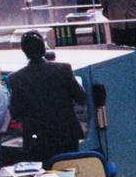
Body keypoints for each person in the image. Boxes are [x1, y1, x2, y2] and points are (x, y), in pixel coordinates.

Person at [7, 31, 87, 167]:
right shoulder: (64, 69)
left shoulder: (16, 78)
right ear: (44, 48)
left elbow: (16, 112)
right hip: (67, 135)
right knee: (69, 170)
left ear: (25, 52)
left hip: (37, 139)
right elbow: (81, 97)